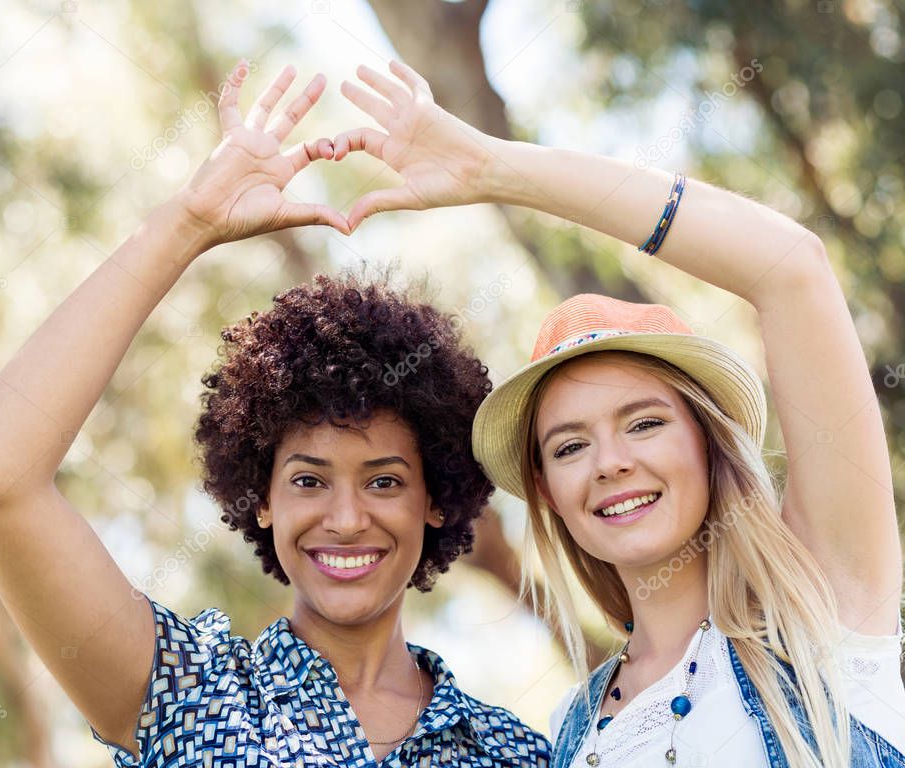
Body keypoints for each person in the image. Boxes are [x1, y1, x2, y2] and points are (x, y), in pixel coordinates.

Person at [0, 60, 551, 767]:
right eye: (308, 480)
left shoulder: (517, 753)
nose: (347, 517)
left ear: (437, 499)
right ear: (261, 499)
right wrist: (189, 222)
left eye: (385, 480)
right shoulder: (184, 694)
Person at [331, 60, 905, 767]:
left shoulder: (821, 611)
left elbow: (791, 267)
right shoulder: (573, 735)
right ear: (548, 492)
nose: (610, 463)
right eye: (570, 447)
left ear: (708, 443)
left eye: (644, 423)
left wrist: (493, 168)